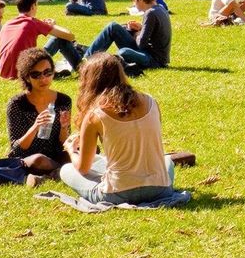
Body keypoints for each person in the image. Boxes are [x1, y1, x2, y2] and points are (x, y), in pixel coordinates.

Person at [59, 53, 179, 206]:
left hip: (117, 193)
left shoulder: (95, 115)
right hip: (161, 189)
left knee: (67, 169)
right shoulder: (151, 102)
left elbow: (83, 167)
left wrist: (71, 149)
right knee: (166, 160)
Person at [7, 48, 71, 179]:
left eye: (48, 72)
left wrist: (64, 127)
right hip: (29, 157)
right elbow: (16, 149)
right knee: (39, 160)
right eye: (36, 74)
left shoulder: (63, 101)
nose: (43, 78)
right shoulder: (17, 104)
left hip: (55, 155)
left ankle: (53, 173)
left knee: (90, 150)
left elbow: (63, 143)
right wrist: (36, 126)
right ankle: (65, 172)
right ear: (26, 77)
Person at [0, 0, 78, 80]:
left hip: (4, 72)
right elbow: (70, 36)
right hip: (25, 71)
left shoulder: (7, 24)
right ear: (33, 6)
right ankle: (81, 68)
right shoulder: (33, 22)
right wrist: (53, 25)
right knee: (59, 39)